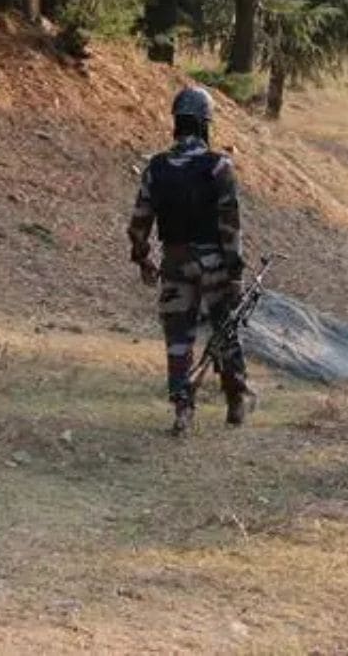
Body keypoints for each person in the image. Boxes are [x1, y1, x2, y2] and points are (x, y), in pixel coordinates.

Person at [127, 86, 253, 435]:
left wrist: (143, 259)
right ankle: (235, 401)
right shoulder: (219, 166)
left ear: (177, 123)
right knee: (225, 331)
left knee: (178, 339)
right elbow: (231, 226)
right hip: (214, 266)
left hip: (174, 262)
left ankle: (183, 410)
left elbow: (138, 223)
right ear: (204, 124)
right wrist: (236, 271)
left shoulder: (157, 167)